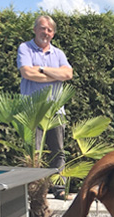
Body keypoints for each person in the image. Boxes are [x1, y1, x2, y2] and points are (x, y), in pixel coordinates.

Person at [17, 15, 73, 181]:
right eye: (42, 28)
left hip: (56, 110)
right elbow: (27, 73)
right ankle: (35, 187)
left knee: (58, 151)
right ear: (35, 29)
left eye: (49, 30)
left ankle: (59, 187)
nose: (46, 32)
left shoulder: (58, 53)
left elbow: (68, 74)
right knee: (33, 153)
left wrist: (41, 68)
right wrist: (55, 75)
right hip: (32, 110)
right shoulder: (25, 48)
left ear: (53, 34)